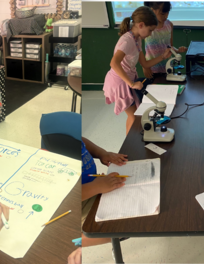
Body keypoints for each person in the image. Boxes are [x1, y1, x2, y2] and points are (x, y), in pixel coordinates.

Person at [103, 6, 172, 134]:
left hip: (127, 80)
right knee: (134, 116)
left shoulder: (137, 39)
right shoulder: (127, 40)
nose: (151, 34)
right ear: (141, 25)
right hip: (119, 83)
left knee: (135, 115)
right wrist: (132, 84)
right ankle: (128, 148)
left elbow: (145, 63)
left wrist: (163, 57)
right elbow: (114, 63)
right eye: (150, 30)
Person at [80, 137, 128, 247]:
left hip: (93, 185)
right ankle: (74, 241)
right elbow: (62, 194)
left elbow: (81, 140)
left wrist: (101, 153)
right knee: (124, 227)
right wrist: (95, 187)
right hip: (78, 202)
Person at [142, 2, 187, 79]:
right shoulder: (146, 27)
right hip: (152, 70)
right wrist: (145, 67)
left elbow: (170, 47)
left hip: (168, 68)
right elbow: (138, 49)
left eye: (167, 13)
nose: (166, 16)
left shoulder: (169, 25)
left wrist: (178, 50)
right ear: (153, 10)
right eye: (163, 14)